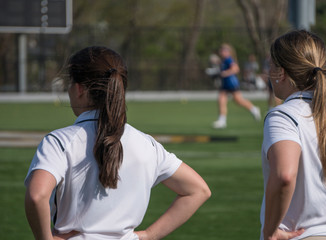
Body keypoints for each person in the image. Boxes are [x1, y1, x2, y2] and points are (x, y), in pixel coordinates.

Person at [24, 46, 211, 240]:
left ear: (79, 89)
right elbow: (198, 190)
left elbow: (37, 196)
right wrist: (149, 235)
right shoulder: (147, 144)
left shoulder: (59, 141)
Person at [261, 30, 326, 240]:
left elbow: (284, 176)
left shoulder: (283, 116)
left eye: (271, 65)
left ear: (282, 73)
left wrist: (269, 232)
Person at [213, 43, 261, 129]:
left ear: (228, 52)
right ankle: (222, 121)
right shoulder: (223, 60)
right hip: (225, 84)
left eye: (223, 50)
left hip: (232, 83)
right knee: (221, 100)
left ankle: (254, 109)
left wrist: (225, 73)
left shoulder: (229, 59)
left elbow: (235, 69)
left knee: (238, 101)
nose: (221, 52)